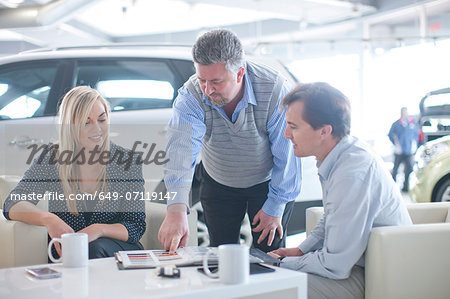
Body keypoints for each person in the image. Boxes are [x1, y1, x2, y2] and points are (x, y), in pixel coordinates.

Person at [158, 29, 301, 253]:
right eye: (202, 79)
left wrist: (275, 206)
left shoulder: (274, 89)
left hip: (267, 183)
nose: (207, 89)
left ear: (240, 72)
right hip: (219, 181)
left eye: (216, 81)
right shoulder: (191, 95)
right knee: (220, 256)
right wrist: (176, 210)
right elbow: (181, 153)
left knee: (270, 255)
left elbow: (288, 155)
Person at [268, 83, 412, 299]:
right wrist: (301, 250)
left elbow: (335, 264)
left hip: (373, 273)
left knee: (268, 286)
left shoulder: (351, 173)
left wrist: (283, 263)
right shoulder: (340, 155)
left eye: (293, 126)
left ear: (325, 131)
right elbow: (333, 217)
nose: (286, 134)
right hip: (358, 263)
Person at [3, 86, 146, 259]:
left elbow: (136, 225)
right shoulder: (53, 157)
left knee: (92, 247)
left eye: (102, 119)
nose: (97, 129)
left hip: (115, 252)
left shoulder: (127, 161)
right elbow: (13, 203)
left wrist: (97, 230)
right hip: (68, 254)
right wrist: (49, 219)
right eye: (86, 122)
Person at [388, 107, 419, 192]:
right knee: (395, 169)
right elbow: (390, 135)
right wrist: (395, 143)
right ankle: (392, 187)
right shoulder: (396, 124)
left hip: (409, 151)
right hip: (399, 151)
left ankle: (405, 187)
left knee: (408, 169)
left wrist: (414, 145)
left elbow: (416, 135)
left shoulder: (412, 123)